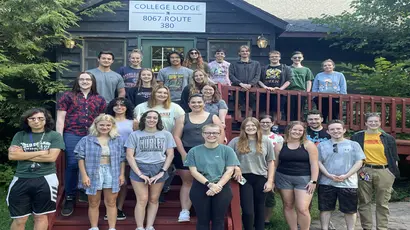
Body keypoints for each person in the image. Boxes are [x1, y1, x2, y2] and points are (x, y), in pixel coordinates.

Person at [57, 72, 106, 216]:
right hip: (72, 133)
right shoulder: (67, 96)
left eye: (88, 79)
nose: (85, 81)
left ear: (92, 82)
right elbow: (60, 118)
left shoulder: (99, 99)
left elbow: (102, 120)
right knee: (72, 164)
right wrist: (59, 138)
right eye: (82, 79)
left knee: (91, 164)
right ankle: (70, 196)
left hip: (92, 135)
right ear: (77, 81)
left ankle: (85, 190)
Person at [7, 108, 65, 230]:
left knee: (41, 216)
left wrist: (24, 155)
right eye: (32, 118)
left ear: (46, 120)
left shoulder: (54, 136)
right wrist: (42, 152)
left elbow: (51, 158)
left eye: (40, 118)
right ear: (27, 121)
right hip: (21, 179)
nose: (36, 121)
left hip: (46, 179)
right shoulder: (20, 135)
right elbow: (12, 156)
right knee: (19, 219)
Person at [173, 94, 225, 222]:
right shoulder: (182, 118)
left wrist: (215, 154)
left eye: (199, 102)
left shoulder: (213, 117)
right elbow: (176, 137)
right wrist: (183, 153)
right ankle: (185, 211)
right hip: (187, 151)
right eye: (193, 102)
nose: (196, 104)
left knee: (208, 181)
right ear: (189, 104)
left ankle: (207, 211)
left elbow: (220, 136)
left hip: (208, 151)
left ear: (204, 103)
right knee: (187, 182)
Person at [126, 110, 176, 230]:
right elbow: (129, 155)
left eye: (155, 118)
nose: (151, 120)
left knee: (154, 199)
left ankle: (149, 226)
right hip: (140, 166)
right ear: (144, 119)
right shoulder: (135, 134)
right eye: (149, 117)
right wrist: (139, 173)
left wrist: (162, 172)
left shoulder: (166, 134)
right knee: (142, 199)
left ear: (158, 120)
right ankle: (139, 227)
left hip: (159, 167)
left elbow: (170, 155)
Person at [75, 114, 126, 230]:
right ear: (96, 125)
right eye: (102, 125)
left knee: (112, 202)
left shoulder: (117, 139)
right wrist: (84, 175)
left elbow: (123, 159)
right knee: (93, 202)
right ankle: (94, 227)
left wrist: (122, 174)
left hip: (112, 172)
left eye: (108, 125)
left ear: (112, 126)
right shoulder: (87, 139)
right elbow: (80, 157)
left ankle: (112, 228)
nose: (105, 127)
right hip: (93, 172)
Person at [184, 123, 240, 230]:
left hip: (222, 187)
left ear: (219, 134)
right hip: (201, 187)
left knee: (218, 221)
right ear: (203, 134)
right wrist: (209, 185)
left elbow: (229, 170)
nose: (211, 135)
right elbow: (193, 171)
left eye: (215, 133)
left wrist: (217, 186)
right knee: (202, 221)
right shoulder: (194, 151)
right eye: (208, 132)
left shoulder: (227, 150)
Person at [351, 112, 400, 230]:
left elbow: (394, 157)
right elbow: (352, 155)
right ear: (365, 123)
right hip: (365, 170)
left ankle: (382, 228)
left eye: (376, 121)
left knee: (382, 203)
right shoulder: (357, 137)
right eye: (370, 121)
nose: (373, 123)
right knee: (364, 201)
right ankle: (367, 227)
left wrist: (391, 173)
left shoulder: (388, 138)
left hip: (384, 170)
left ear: (380, 122)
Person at [228, 117, 275, 230]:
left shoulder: (266, 141)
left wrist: (270, 181)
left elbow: (271, 162)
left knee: (260, 208)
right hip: (243, 178)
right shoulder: (236, 141)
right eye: (248, 126)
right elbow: (227, 157)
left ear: (258, 127)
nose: (250, 128)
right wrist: (236, 167)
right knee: (248, 210)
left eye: (253, 126)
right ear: (243, 128)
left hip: (261, 177)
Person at [317, 120, 365, 230]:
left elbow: (359, 162)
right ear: (328, 131)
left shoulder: (354, 145)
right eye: (332, 129)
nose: (336, 131)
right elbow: (318, 162)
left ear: (344, 130)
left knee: (350, 210)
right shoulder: (322, 145)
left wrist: (346, 175)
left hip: (349, 183)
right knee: (325, 209)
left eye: (338, 129)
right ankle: (324, 228)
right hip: (327, 182)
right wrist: (328, 175)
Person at [274, 121, 319, 230]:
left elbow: (314, 164)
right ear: (289, 130)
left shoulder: (308, 145)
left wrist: (313, 181)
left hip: (304, 179)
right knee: (288, 205)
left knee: (302, 208)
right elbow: (274, 164)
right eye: (294, 129)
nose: (297, 132)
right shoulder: (280, 146)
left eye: (300, 130)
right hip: (283, 177)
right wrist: (271, 180)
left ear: (303, 132)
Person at [105, 97, 136, 220]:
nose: (119, 107)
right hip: (109, 155)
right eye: (116, 105)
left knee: (122, 182)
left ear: (127, 107)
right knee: (109, 181)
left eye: (122, 105)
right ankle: (109, 208)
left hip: (127, 154)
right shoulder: (107, 120)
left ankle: (119, 208)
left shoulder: (133, 122)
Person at [259, 115, 284, 225]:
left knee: (269, 195)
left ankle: (266, 219)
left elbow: (280, 155)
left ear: (272, 123)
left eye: (268, 122)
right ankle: (256, 217)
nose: (265, 124)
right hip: (258, 168)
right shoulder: (255, 136)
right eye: (262, 122)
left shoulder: (278, 138)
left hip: (272, 168)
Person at [258, 50, 293, 118]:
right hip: (265, 92)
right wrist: (265, 87)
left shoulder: (286, 68)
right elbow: (258, 80)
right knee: (263, 110)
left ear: (279, 58)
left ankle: (275, 126)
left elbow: (289, 80)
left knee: (277, 111)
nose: (274, 58)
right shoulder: (263, 68)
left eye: (276, 56)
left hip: (279, 93)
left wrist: (281, 89)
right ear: (269, 58)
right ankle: (263, 124)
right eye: (272, 57)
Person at [229, 45, 261, 116]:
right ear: (239, 53)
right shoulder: (233, 64)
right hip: (238, 88)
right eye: (242, 51)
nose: (244, 53)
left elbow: (257, 76)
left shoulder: (256, 64)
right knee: (238, 106)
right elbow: (231, 75)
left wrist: (250, 84)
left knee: (249, 107)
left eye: (246, 51)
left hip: (251, 88)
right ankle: (239, 123)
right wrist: (240, 84)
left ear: (249, 53)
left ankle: (248, 122)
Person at [288, 51, 314, 121]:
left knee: (299, 110)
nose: (297, 59)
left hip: (301, 92)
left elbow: (308, 81)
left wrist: (307, 91)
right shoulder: (287, 68)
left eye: (299, 57)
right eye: (295, 57)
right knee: (289, 110)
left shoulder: (306, 69)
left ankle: (297, 125)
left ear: (302, 58)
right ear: (291, 58)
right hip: (289, 92)